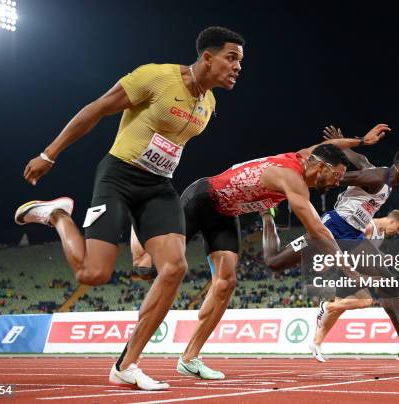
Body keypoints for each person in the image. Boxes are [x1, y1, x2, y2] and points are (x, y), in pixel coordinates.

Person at [13, 26, 245, 390]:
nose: (237, 67)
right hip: (119, 176)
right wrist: (49, 154)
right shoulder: (156, 77)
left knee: (174, 267)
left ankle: (127, 364)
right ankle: (56, 215)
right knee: (93, 274)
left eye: (240, 62)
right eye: (231, 58)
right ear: (207, 57)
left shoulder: (209, 104)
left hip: (158, 188)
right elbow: (97, 109)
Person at [131, 123, 390, 379]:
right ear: (321, 167)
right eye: (335, 177)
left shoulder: (306, 156)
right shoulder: (292, 178)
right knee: (148, 269)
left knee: (226, 283)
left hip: (225, 214)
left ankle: (189, 359)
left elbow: (329, 146)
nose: (336, 183)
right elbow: (319, 233)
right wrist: (349, 271)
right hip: (202, 198)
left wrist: (363, 141)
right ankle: (140, 212)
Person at [260, 125, 399, 368]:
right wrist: (303, 180)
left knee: (388, 284)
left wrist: (341, 143)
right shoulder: (378, 177)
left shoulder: (382, 177)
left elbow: (361, 159)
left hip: (352, 235)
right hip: (333, 228)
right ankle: (266, 215)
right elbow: (334, 178)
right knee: (274, 262)